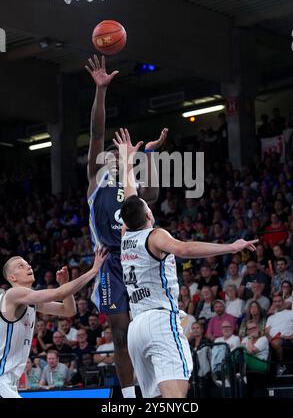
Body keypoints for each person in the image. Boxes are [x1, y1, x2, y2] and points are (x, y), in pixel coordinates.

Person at [113, 128, 257, 398]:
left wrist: (130, 159)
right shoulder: (155, 236)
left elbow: (129, 194)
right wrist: (231, 246)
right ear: (148, 213)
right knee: (176, 396)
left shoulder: (125, 236)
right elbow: (185, 248)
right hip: (159, 320)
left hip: (136, 329)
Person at [85, 55, 168, 398]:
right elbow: (96, 132)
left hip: (139, 259)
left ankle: (153, 390)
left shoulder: (133, 187)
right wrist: (101, 91)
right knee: (120, 334)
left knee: (144, 331)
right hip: (110, 263)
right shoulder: (95, 181)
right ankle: (131, 398)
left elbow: (153, 194)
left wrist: (148, 156)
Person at [0, 246, 107, 398]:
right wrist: (93, 270)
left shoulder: (31, 301)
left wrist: (65, 285)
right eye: (20, 266)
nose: (28, 266)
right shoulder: (13, 294)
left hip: (9, 380)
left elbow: (68, 311)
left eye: (27, 263)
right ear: (12, 278)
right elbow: (58, 293)